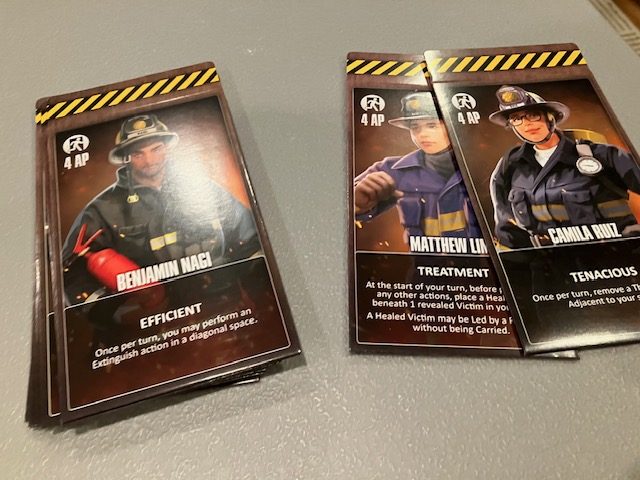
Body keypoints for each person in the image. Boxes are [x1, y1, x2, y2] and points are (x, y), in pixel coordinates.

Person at [62, 113, 260, 305]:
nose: (149, 160)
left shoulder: (202, 188)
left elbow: (252, 239)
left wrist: (259, 286)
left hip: (225, 306)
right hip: (154, 321)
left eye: (156, 149)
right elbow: (70, 274)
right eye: (138, 153)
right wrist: (117, 314)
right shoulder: (102, 210)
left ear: (166, 147)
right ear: (125, 158)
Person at [489, 85, 640, 249]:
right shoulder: (511, 166)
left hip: (614, 256)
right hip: (550, 261)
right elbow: (505, 228)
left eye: (533, 115)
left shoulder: (604, 155)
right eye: (516, 118)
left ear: (550, 117)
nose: (527, 124)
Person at [354, 92, 480, 242]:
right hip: (422, 257)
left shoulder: (482, 164)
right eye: (415, 127)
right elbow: (341, 204)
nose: (422, 134)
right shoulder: (393, 170)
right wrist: (356, 204)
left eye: (432, 125)